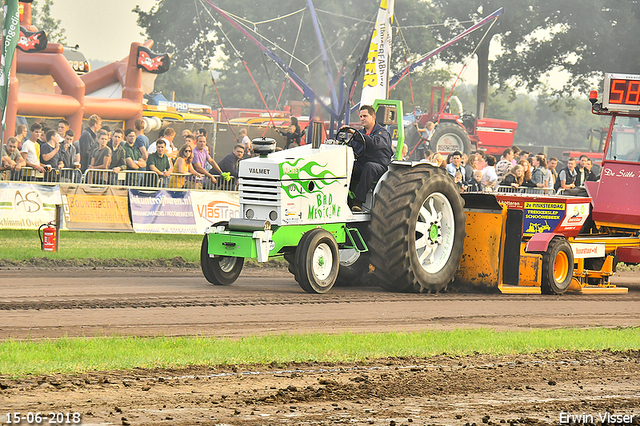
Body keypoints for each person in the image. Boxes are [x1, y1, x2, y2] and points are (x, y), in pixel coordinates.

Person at [339, 105, 393, 212]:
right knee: (346, 167)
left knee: (370, 167)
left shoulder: (382, 133)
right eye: (361, 116)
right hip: (362, 165)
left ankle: (358, 202)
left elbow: (374, 143)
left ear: (373, 117)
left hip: (379, 166)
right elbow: (353, 149)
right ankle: (343, 198)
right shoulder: (361, 133)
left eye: (365, 116)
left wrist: (354, 133)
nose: (362, 118)